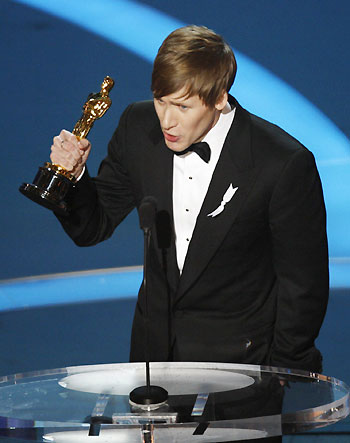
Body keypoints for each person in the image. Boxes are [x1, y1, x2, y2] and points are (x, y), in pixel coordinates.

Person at [51, 25, 328, 374]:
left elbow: (303, 282)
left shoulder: (281, 163)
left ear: (219, 98)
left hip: (242, 367)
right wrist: (73, 178)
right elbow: (92, 227)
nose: (167, 120)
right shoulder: (138, 127)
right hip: (152, 364)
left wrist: (285, 369)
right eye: (160, 101)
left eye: (182, 106)